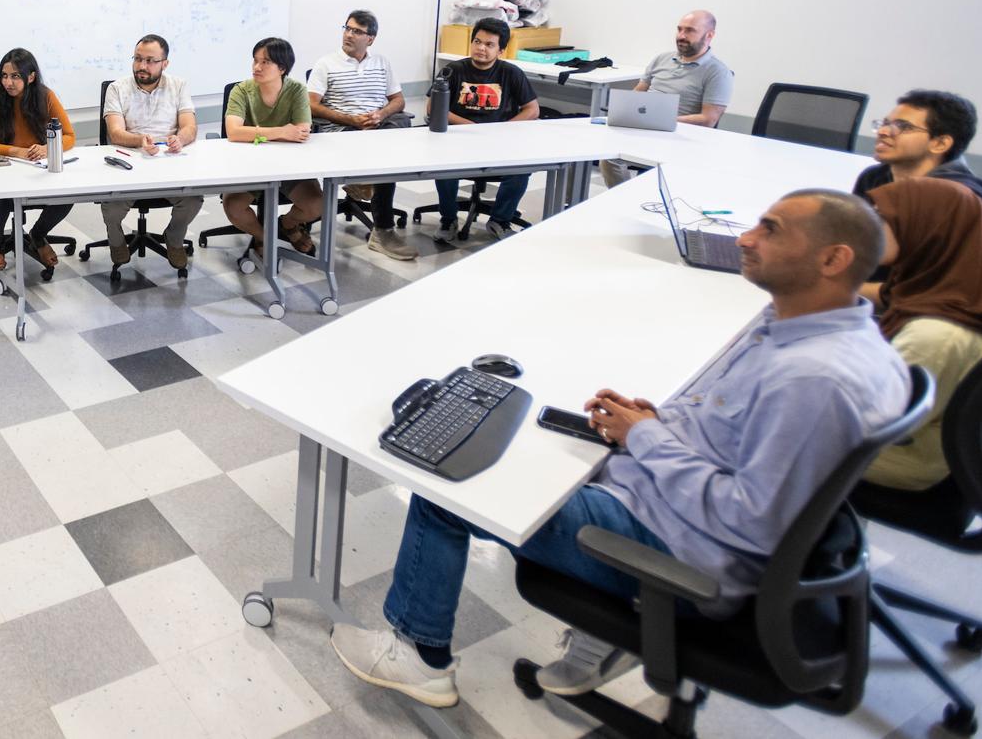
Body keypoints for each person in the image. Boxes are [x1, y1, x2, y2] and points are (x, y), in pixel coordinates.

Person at [329, 189, 908, 709]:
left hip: (682, 552)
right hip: (675, 506)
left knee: (447, 490)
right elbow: (742, 432)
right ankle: (603, 638)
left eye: (772, 230)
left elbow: (751, 519)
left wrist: (647, 437)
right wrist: (657, 422)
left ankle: (418, 656)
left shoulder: (814, 381)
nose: (745, 239)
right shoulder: (821, 330)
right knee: (529, 434)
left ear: (834, 260)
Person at [854, 179, 982, 494]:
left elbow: (873, 422)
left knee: (740, 432)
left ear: (929, 230)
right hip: (910, 442)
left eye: (881, 220)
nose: (867, 229)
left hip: (901, 458)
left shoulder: (938, 335)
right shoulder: (948, 289)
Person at [309, 10, 416, 262]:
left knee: (397, 126)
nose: (348, 34)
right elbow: (310, 105)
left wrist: (381, 114)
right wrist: (351, 119)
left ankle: (364, 181)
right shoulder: (326, 64)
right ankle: (383, 229)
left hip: (377, 127)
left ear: (371, 38)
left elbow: (398, 100)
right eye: (347, 28)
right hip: (343, 129)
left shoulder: (382, 63)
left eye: (357, 31)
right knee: (384, 161)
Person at [430, 17, 539, 240]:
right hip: (458, 141)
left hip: (498, 144)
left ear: (501, 50)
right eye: (477, 42)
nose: (481, 48)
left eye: (489, 45)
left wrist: (503, 130)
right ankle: (448, 219)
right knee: (444, 166)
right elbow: (433, 108)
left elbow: (532, 109)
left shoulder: (511, 73)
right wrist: (470, 127)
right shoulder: (453, 70)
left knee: (521, 168)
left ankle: (500, 220)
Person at [99, 34, 201, 272]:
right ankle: (116, 240)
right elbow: (115, 133)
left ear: (165, 63)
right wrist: (140, 140)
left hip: (168, 163)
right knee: (111, 208)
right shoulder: (117, 88)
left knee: (193, 200)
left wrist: (180, 139)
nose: (142, 66)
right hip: (129, 162)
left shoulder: (178, 86)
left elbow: (190, 127)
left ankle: (174, 238)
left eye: (150, 61)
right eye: (137, 59)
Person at [0, 48, 75, 273]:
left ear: (31, 77)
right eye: (4, 76)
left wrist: (47, 149)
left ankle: (37, 236)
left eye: (15, 76)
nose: (8, 82)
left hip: (32, 168)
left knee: (67, 195)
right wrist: (15, 151)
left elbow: (68, 136)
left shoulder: (45, 96)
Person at [601, 10, 734, 186]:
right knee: (595, 147)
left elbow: (708, 119)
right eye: (679, 29)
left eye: (690, 31)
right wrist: (624, 110)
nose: (681, 36)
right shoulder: (661, 59)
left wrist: (662, 120)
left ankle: (626, 200)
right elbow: (639, 91)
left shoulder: (718, 72)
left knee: (611, 159)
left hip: (680, 137)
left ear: (709, 35)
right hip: (645, 128)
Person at [221, 37, 322, 258]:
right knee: (233, 207)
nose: (257, 67)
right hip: (249, 165)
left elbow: (302, 131)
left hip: (288, 165)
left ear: (282, 68)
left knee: (316, 205)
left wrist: (256, 135)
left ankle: (287, 224)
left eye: (265, 62)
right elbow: (234, 132)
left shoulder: (296, 90)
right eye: (255, 60)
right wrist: (282, 132)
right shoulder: (241, 91)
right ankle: (264, 237)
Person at [852, 89, 982, 202]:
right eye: (885, 123)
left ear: (940, 144)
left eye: (903, 126)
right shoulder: (873, 177)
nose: (883, 131)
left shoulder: (960, 198)